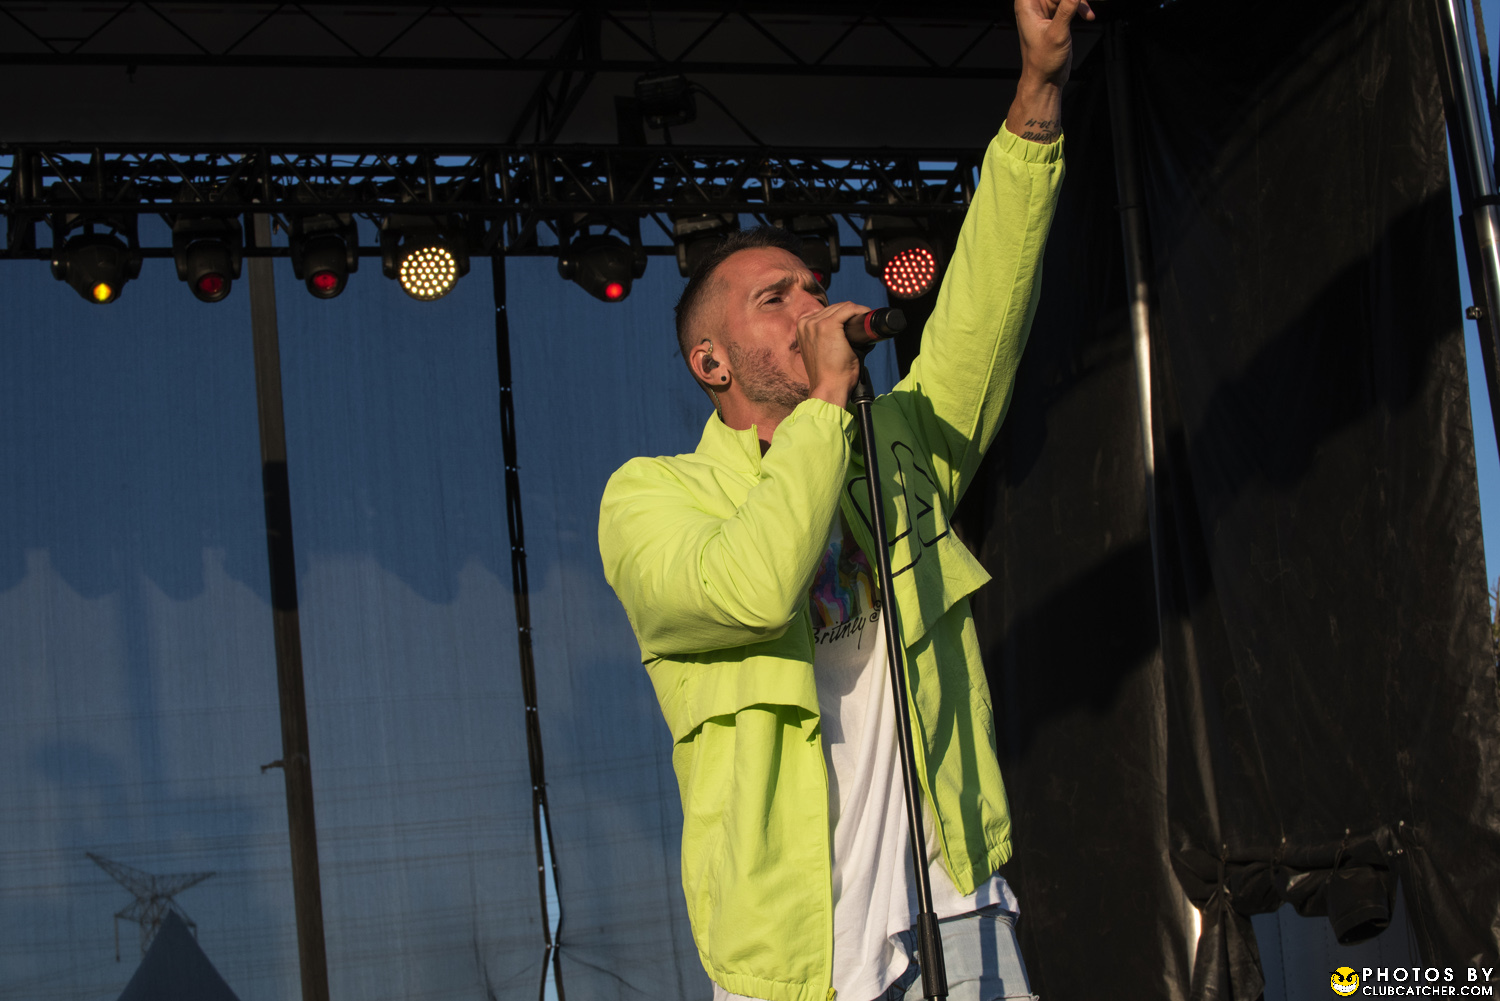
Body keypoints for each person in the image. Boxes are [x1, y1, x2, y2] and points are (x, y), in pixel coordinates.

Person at [598, 2, 1089, 998]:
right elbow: (754, 586)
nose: (811, 304)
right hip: (797, 955)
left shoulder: (891, 444)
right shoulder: (651, 498)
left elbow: (984, 308)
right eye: (774, 298)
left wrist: (1037, 92)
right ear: (711, 362)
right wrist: (825, 402)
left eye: (812, 286)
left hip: (953, 900)